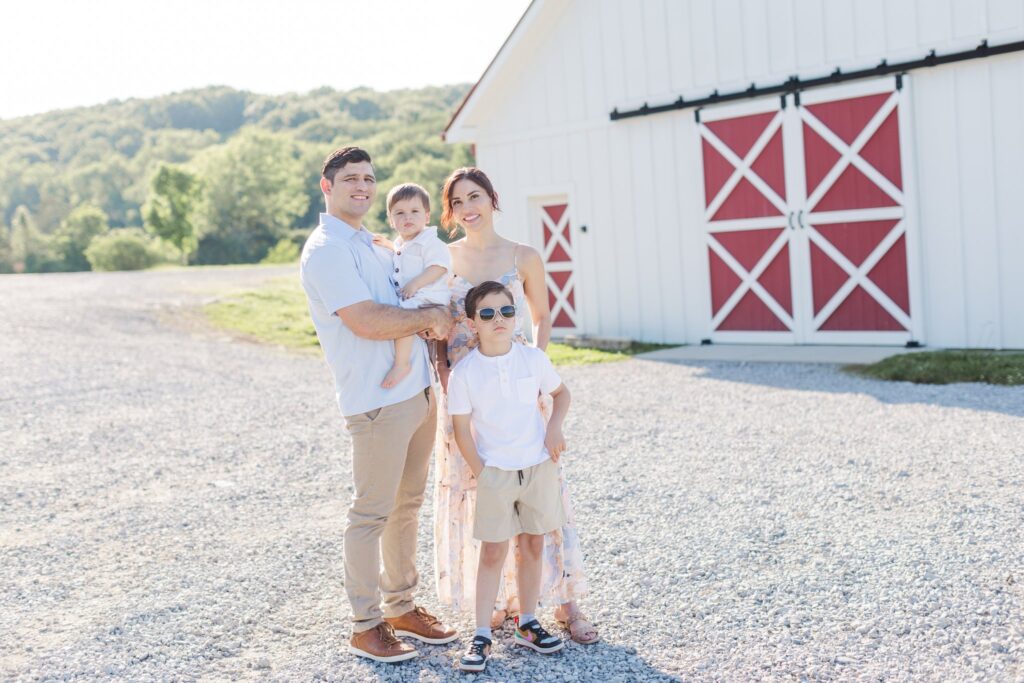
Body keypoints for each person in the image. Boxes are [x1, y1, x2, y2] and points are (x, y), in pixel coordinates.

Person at [299, 146, 457, 663]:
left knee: (406, 507)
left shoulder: (373, 242)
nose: (363, 187)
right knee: (370, 513)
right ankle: (365, 625)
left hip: (416, 393)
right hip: (375, 402)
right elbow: (366, 320)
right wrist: (431, 316)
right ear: (327, 186)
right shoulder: (327, 249)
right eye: (351, 179)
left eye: (369, 179)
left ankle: (401, 606)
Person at [433, 167, 599, 644]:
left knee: (545, 494)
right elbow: (436, 328)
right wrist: (445, 378)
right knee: (482, 491)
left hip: (520, 384)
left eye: (476, 196)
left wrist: (538, 378)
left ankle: (567, 604)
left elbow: (543, 317)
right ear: (450, 211)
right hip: (467, 391)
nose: (469, 207)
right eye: (458, 200)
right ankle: (504, 605)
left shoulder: (524, 255)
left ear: (492, 199)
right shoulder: (442, 260)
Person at [448, 281, 569, 672]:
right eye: (487, 314)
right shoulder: (465, 374)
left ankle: (528, 622)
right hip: (495, 473)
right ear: (472, 323)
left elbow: (562, 395)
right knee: (494, 551)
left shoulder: (532, 359)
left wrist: (554, 428)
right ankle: (481, 633)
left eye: (506, 311)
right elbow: (462, 430)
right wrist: (483, 473)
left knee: (533, 544)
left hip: (537, 467)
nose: (498, 320)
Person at [371, 183, 451, 389]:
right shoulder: (402, 243)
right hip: (418, 297)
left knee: (403, 317)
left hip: (430, 296)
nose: (407, 217)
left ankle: (402, 364)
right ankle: (427, 373)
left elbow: (439, 267)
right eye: (400, 213)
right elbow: (402, 253)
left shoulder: (430, 242)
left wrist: (415, 284)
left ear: (426, 216)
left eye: (414, 212)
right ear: (391, 220)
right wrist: (389, 245)